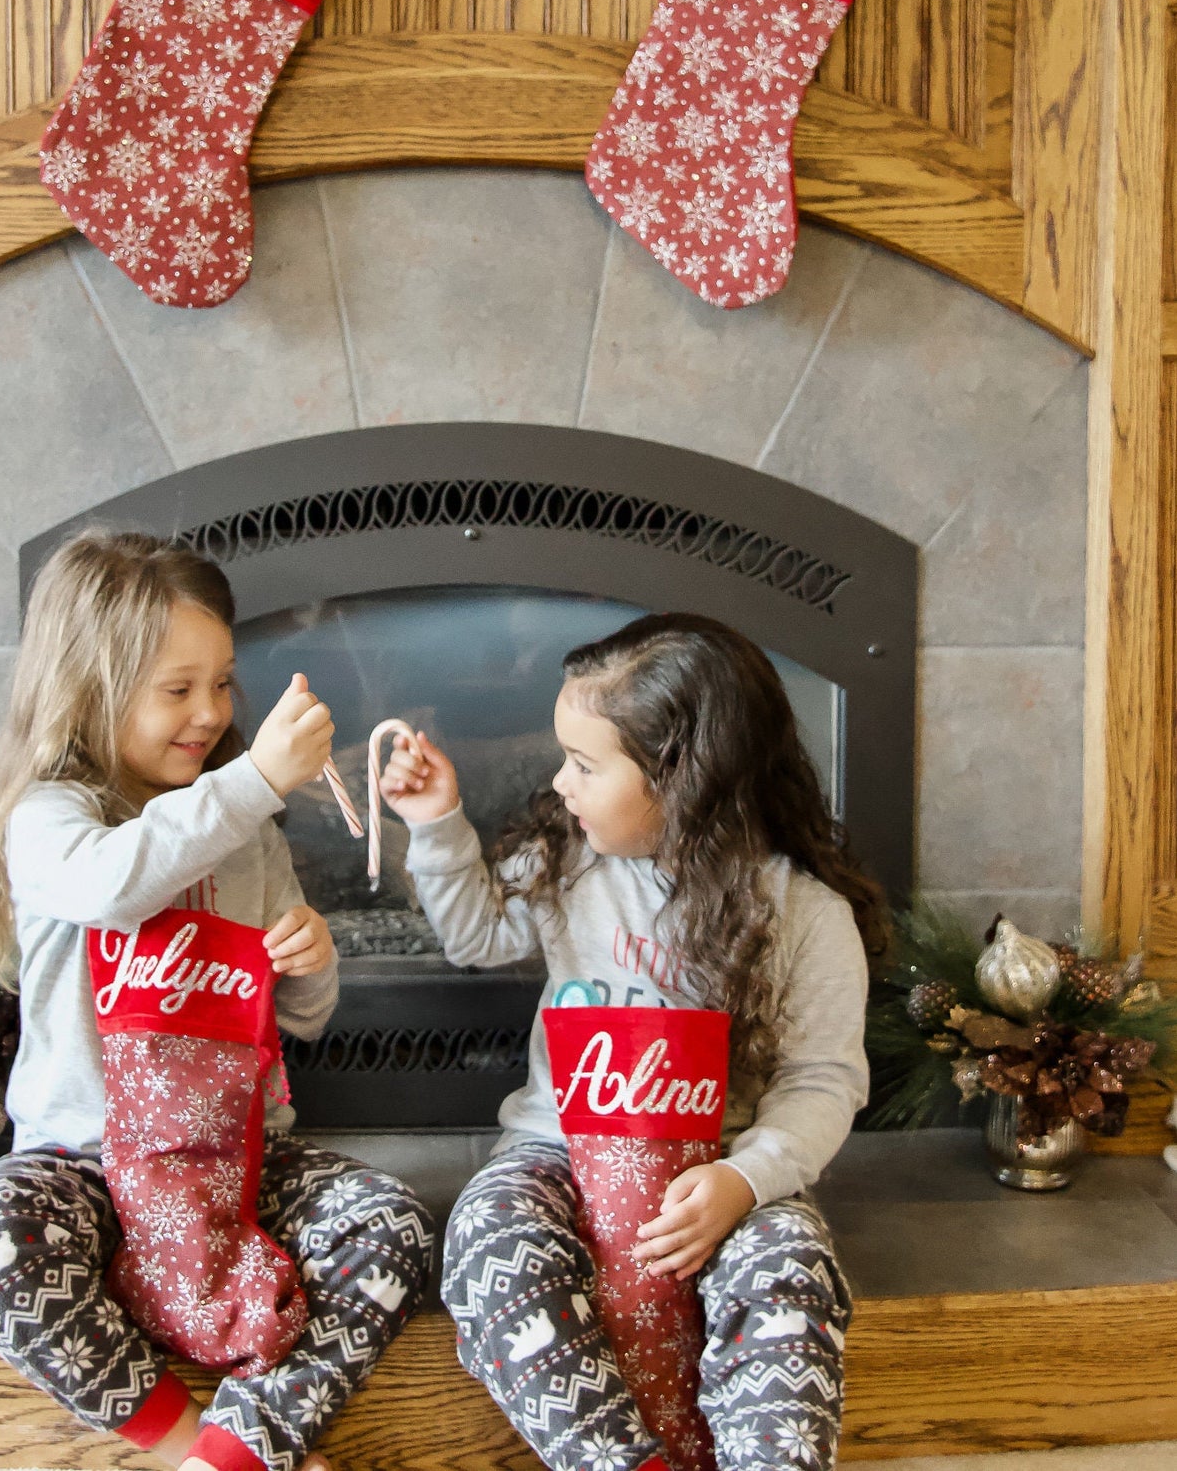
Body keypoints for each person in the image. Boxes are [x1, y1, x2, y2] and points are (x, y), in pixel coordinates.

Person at [0, 529, 433, 1471]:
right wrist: (250, 783)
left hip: (236, 1168)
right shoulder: (50, 819)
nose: (209, 712)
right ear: (88, 690)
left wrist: (310, 962)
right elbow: (108, 887)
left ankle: (246, 1446)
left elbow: (300, 1020)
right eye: (176, 688)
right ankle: (176, 1449)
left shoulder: (246, 834)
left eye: (222, 682)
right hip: (88, 1167)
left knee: (392, 1221)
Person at [379, 613, 887, 1471]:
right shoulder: (565, 862)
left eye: (584, 764)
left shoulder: (805, 916)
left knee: (791, 1274)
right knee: (489, 1242)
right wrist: (435, 824)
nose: (560, 782)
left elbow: (820, 1081)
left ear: (681, 776)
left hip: (717, 1168)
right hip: (557, 1153)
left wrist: (742, 1180)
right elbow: (475, 935)